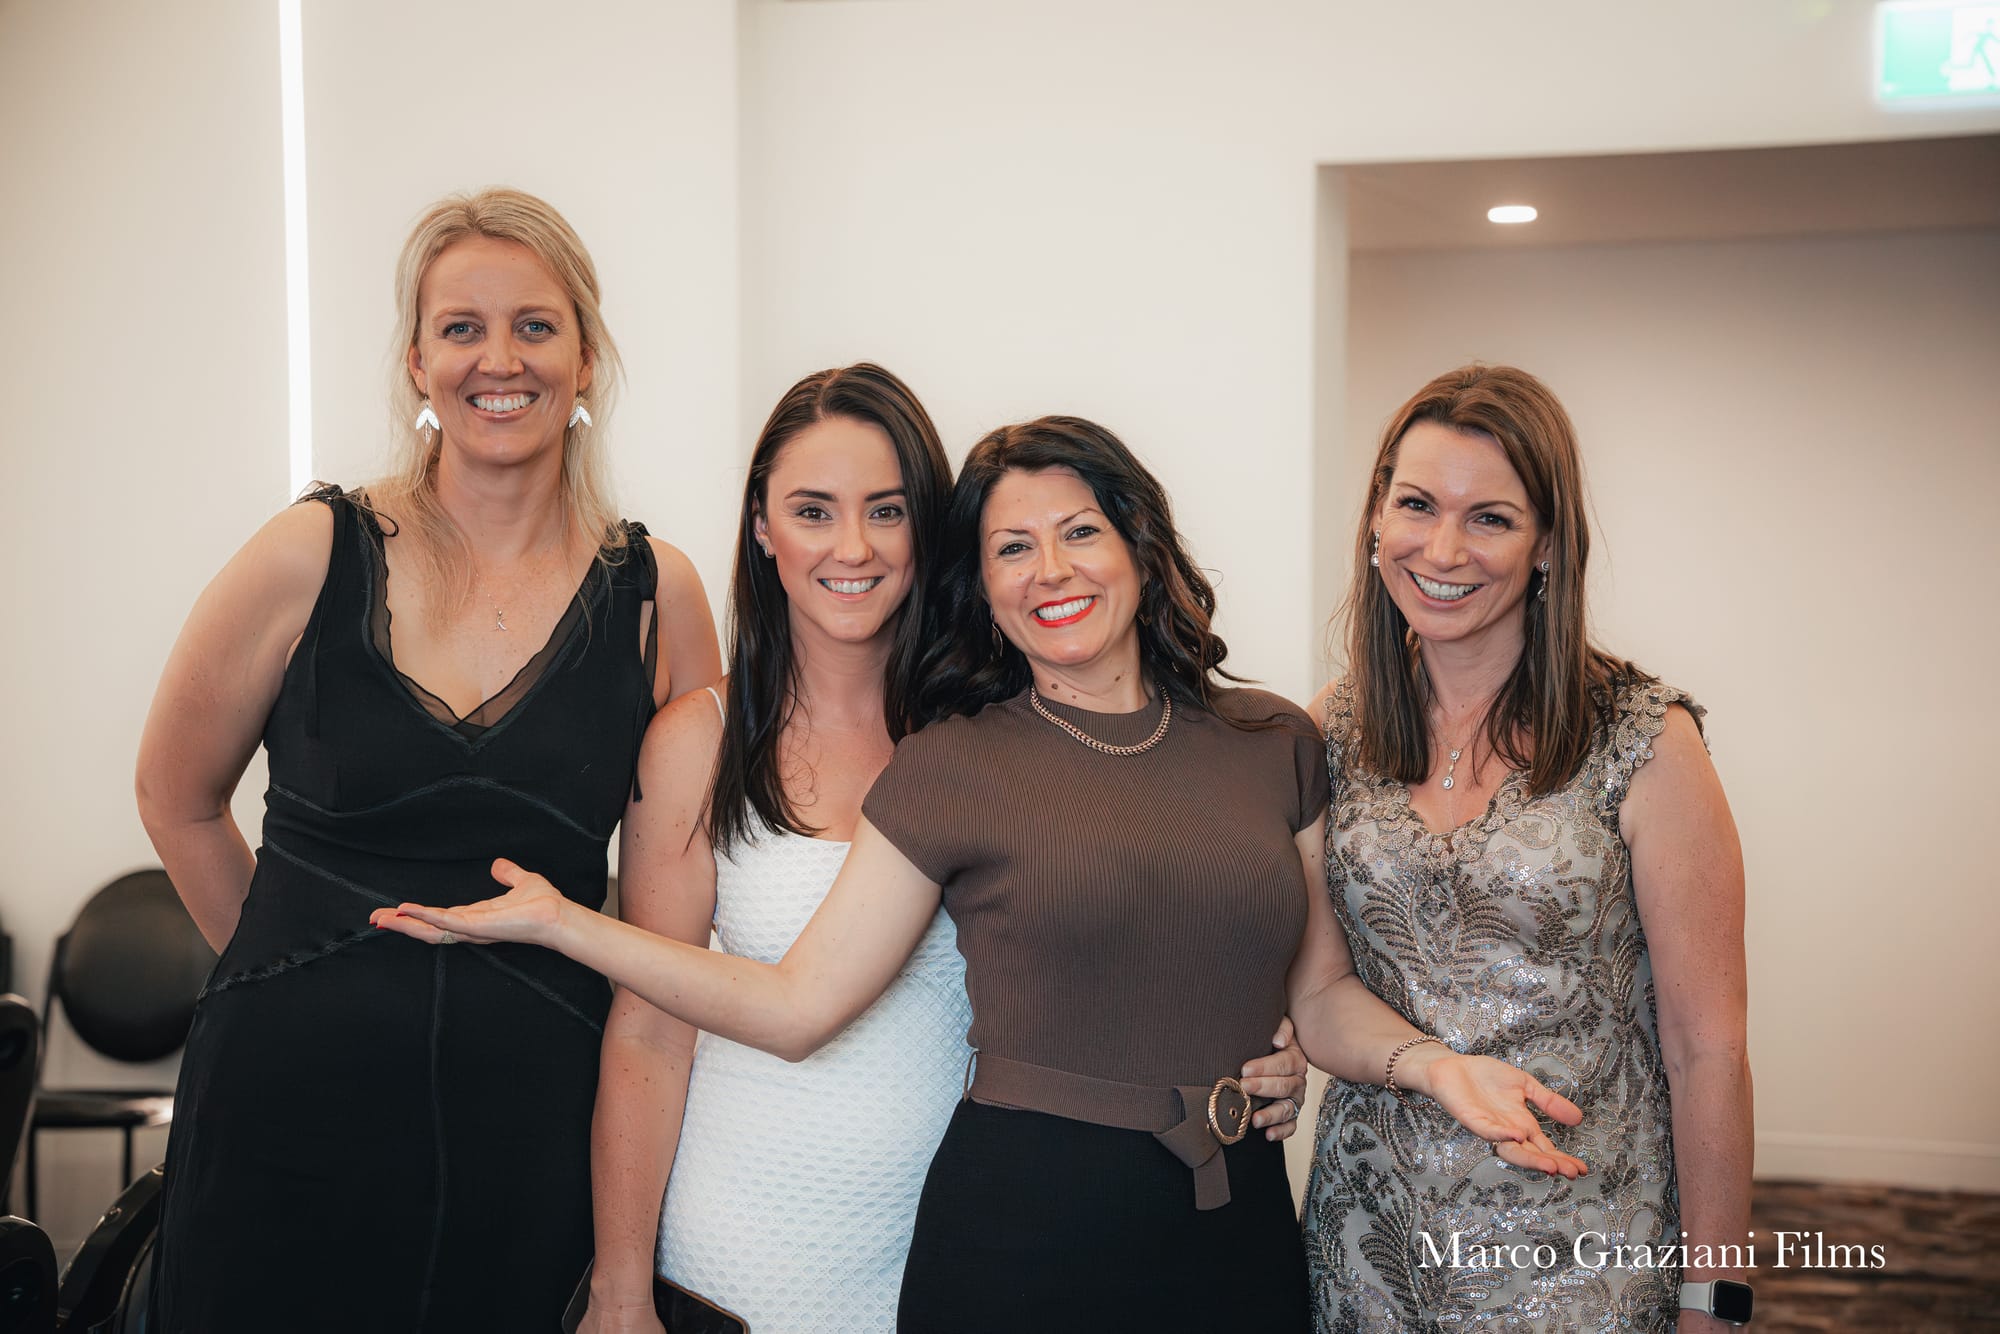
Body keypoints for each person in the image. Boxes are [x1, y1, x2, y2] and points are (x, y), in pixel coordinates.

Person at [376, 416, 1582, 1333]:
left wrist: (1431, 1066)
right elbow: (796, 1006)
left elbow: (1317, 996)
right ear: (985, 584)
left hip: (1234, 1223)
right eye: (1010, 546)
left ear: (1137, 543)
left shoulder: (1273, 740)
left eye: (1076, 532)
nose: (1047, 569)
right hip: (1021, 1229)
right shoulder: (950, 764)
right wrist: (561, 922)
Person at [135, 188, 720, 1333]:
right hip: (279, 1130)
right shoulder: (310, 551)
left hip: (528, 1138)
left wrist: (623, 1271)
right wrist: (294, 973)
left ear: (587, 356)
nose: (498, 358)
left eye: (535, 325)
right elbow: (175, 796)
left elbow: (665, 950)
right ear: (416, 360)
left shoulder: (661, 600)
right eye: (461, 327)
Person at [1300, 365, 1753, 1332]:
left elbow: (1706, 1047)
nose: (1442, 548)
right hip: (1369, 1245)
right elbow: (1319, 994)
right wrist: (1431, 1063)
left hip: (1584, 1246)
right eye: (1415, 505)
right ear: (1376, 519)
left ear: (1548, 544)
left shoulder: (1644, 739)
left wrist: (1714, 1299)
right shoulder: (1327, 734)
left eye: (1491, 518)